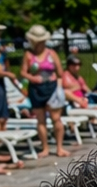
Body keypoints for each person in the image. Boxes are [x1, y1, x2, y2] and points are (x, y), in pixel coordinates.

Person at [18, 25, 69, 158]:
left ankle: (59, 147)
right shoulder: (29, 55)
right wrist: (32, 78)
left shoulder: (51, 53)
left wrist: (57, 82)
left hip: (51, 87)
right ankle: (45, 147)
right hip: (36, 89)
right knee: (41, 120)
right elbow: (23, 72)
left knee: (56, 119)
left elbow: (60, 72)